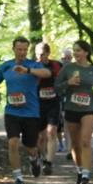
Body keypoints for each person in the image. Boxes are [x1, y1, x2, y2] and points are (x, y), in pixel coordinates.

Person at [0, 37, 51, 184]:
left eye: (24, 50)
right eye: (19, 49)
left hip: (31, 113)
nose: (22, 52)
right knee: (13, 143)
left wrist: (28, 70)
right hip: (12, 112)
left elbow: (47, 73)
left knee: (30, 147)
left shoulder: (33, 65)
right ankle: (18, 179)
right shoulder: (6, 66)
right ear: (13, 49)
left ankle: (34, 159)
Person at [55, 40, 93, 184]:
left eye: (79, 50)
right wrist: (68, 83)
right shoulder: (68, 68)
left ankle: (86, 176)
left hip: (89, 109)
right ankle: (80, 170)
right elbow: (57, 88)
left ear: (86, 53)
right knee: (75, 144)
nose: (76, 53)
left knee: (85, 141)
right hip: (71, 109)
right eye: (74, 50)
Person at [34, 42, 62, 174]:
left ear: (48, 53)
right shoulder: (32, 66)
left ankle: (49, 162)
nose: (40, 57)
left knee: (52, 132)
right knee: (40, 137)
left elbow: (64, 79)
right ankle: (40, 157)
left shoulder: (56, 65)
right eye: (37, 54)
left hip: (53, 103)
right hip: (37, 104)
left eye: (42, 54)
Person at [57, 47, 73, 152]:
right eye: (64, 58)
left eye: (68, 58)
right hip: (57, 97)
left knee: (68, 122)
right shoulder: (56, 67)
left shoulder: (74, 68)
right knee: (58, 123)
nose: (66, 60)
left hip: (70, 98)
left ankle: (69, 146)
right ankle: (61, 143)